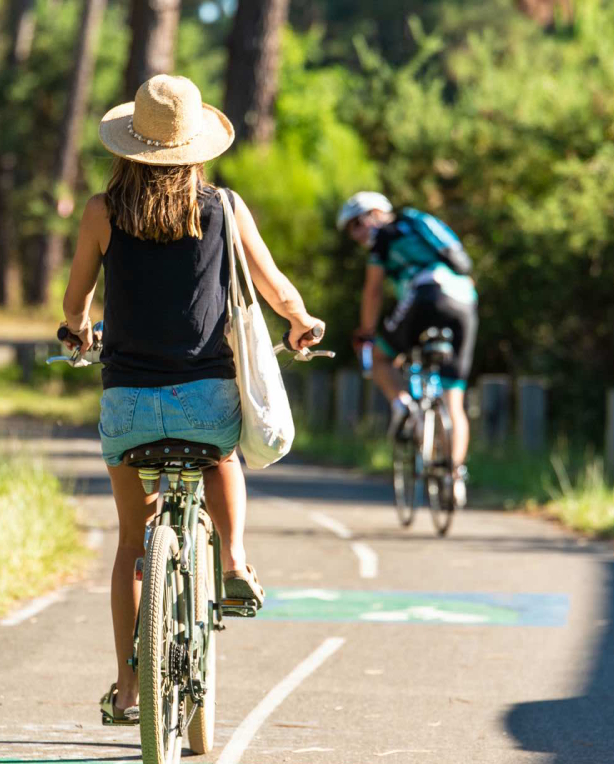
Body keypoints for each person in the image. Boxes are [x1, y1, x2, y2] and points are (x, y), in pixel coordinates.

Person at [60, 75, 325, 725]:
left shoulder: (101, 213)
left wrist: (77, 335)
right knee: (221, 455)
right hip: (204, 398)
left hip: (127, 401)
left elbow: (75, 303)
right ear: (196, 146)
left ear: (128, 146)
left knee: (131, 539)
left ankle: (127, 686)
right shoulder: (225, 208)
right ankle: (232, 555)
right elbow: (274, 284)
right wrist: (300, 321)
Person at [337, 192, 478, 507]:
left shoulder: (384, 236)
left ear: (376, 213)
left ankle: (403, 406)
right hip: (465, 301)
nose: (357, 234)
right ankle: (454, 478)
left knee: (379, 357)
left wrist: (366, 333)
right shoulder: (420, 226)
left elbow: (373, 292)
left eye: (358, 224)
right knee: (454, 397)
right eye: (351, 230)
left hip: (426, 294)